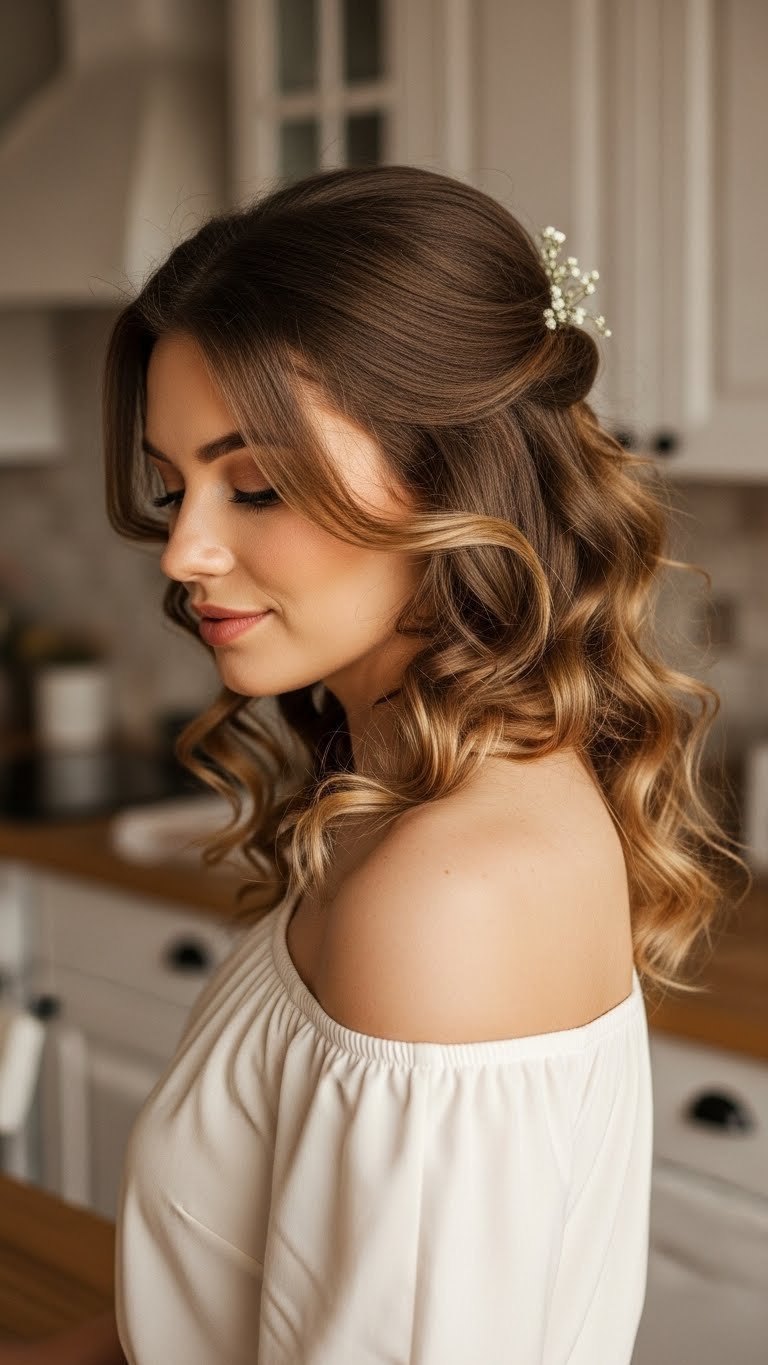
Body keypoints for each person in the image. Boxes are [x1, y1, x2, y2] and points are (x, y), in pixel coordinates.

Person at [2, 164, 747, 1364]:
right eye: (171, 483)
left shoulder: (447, 894)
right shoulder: (414, 795)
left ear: (452, 476)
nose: (184, 550)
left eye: (255, 485)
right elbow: (224, 1303)